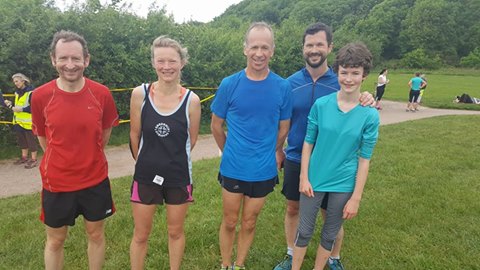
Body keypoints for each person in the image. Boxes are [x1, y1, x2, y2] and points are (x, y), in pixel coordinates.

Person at [274, 22, 374, 270]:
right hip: (299, 157)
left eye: (320, 44)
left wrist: (368, 96)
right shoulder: (290, 83)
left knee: (331, 215)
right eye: (310, 45)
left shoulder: (340, 79)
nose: (314, 49)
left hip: (336, 163)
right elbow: (280, 120)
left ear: (330, 47)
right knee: (293, 206)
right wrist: (278, 149)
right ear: (303, 49)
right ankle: (291, 254)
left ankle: (333, 257)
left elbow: (354, 94)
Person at [31, 30, 119, 270]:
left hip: (95, 179)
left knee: (96, 235)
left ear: (86, 60)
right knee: (55, 240)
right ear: (53, 60)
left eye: (76, 58)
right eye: (63, 58)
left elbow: (103, 136)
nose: (70, 65)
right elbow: (43, 139)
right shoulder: (40, 96)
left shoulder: (101, 94)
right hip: (57, 182)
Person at [210, 21, 292, 270]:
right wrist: (229, 151)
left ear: (272, 51)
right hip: (233, 167)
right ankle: (225, 264)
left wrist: (272, 150)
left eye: (265, 47)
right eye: (254, 46)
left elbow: (284, 127)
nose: (259, 53)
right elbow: (216, 125)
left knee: (250, 222)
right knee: (230, 221)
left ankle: (239, 264)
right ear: (245, 49)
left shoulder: (282, 86)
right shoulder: (229, 84)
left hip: (264, 169)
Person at [129, 36, 201, 270]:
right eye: (161, 61)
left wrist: (169, 162)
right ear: (153, 63)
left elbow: (191, 140)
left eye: (172, 61)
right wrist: (146, 164)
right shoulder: (139, 94)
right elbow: (134, 135)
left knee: (175, 232)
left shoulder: (192, 101)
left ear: (182, 62)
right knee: (140, 234)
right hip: (146, 174)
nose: (166, 67)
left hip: (178, 175)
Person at [4, 73, 38, 168]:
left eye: (17, 81)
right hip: (18, 121)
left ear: (23, 81)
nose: (15, 83)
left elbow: (34, 107)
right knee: (22, 140)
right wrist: (10, 103)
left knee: (31, 141)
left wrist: (22, 109)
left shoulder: (31, 92)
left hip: (28, 122)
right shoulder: (17, 92)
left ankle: (34, 159)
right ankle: (24, 157)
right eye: (14, 82)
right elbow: (16, 104)